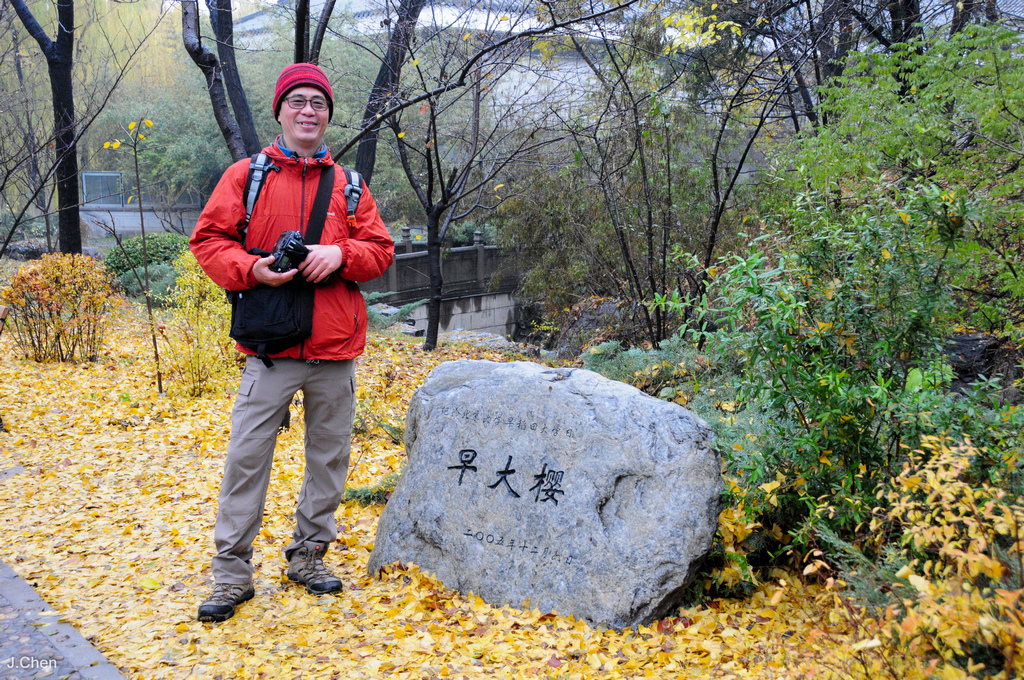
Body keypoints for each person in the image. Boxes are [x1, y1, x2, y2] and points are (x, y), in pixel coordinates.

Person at [189, 63, 394, 622]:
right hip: (269, 349)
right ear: (279, 111)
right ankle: (231, 575)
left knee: (328, 460)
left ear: (328, 115)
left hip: (334, 349)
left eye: (319, 103)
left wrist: (341, 255)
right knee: (246, 460)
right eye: (298, 101)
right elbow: (208, 239)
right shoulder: (246, 176)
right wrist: (253, 269)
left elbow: (380, 249)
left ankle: (308, 556)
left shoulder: (350, 185)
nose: (309, 111)